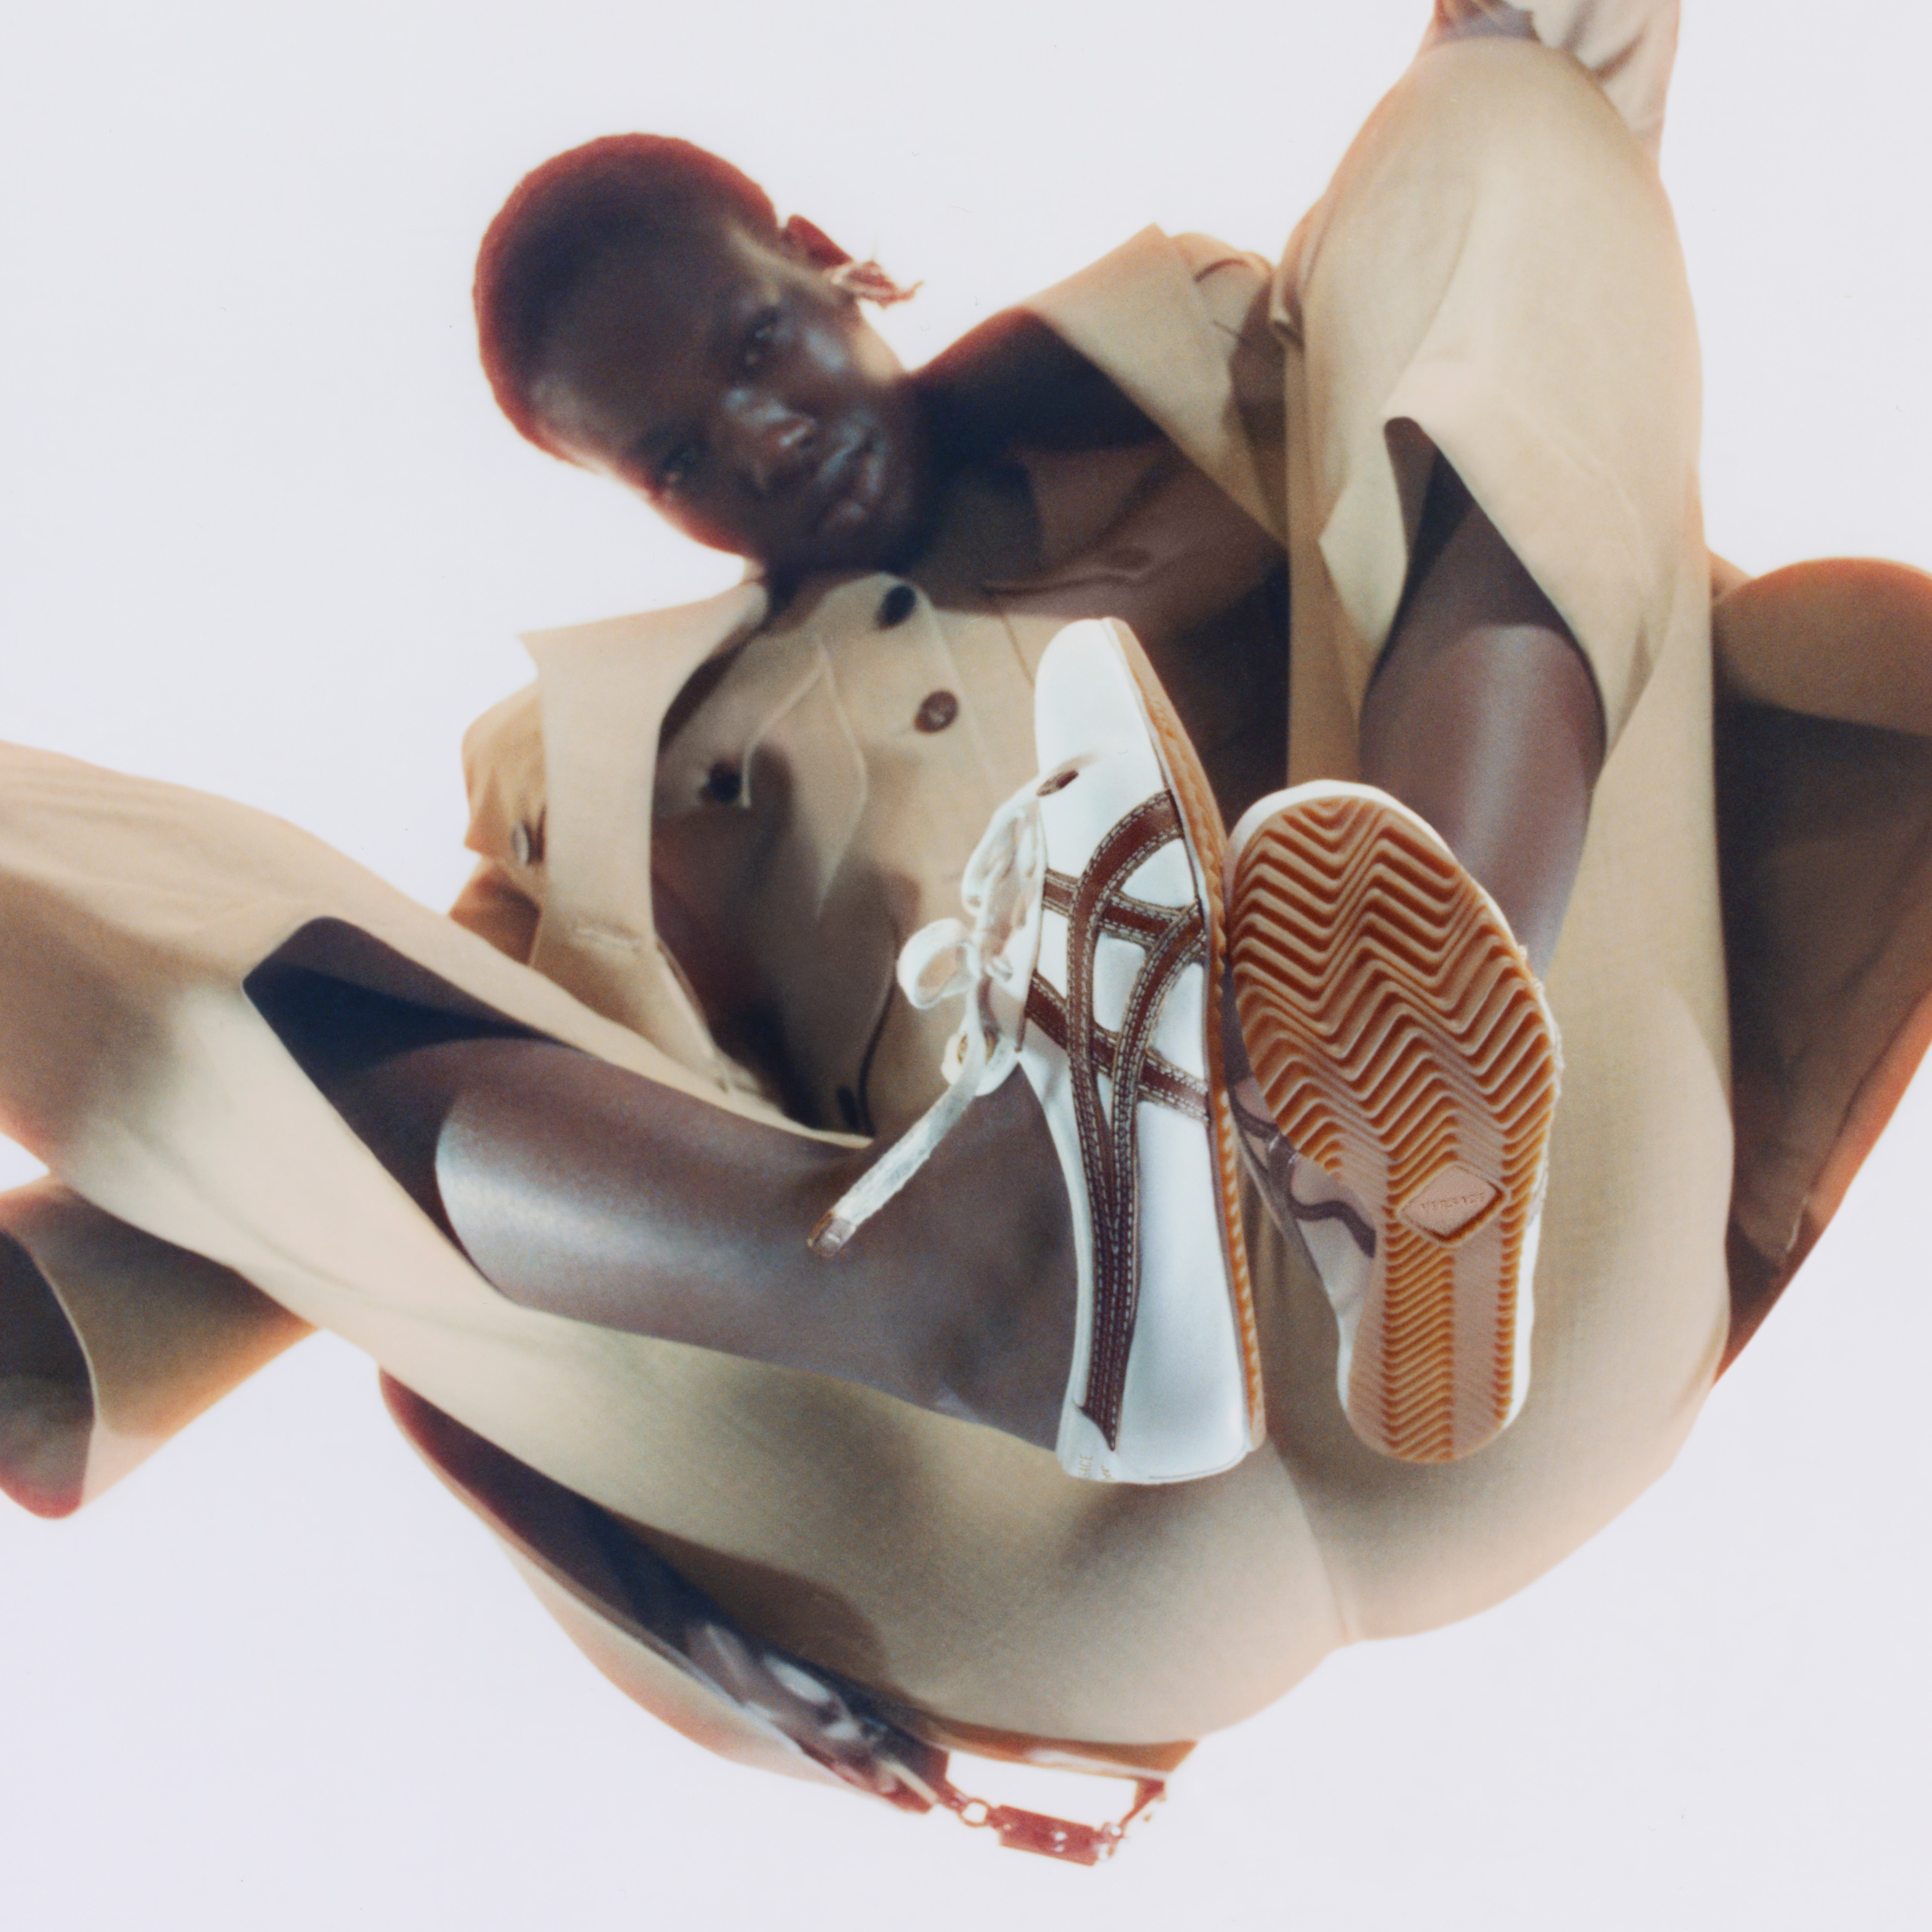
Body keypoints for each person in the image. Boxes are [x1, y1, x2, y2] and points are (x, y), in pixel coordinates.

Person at [4, 0, 1931, 1849]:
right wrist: (81, 1319)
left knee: (1499, 106)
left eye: (756, 346)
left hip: (1530, 1259)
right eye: (679, 457)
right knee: (232, 967)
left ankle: (1424, 1032)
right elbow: (382, 1131)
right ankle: (959, 1274)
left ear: (821, 257)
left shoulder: (1215, 366)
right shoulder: (609, 779)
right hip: (1023, 1505)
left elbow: (1548, 179)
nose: (757, 442)